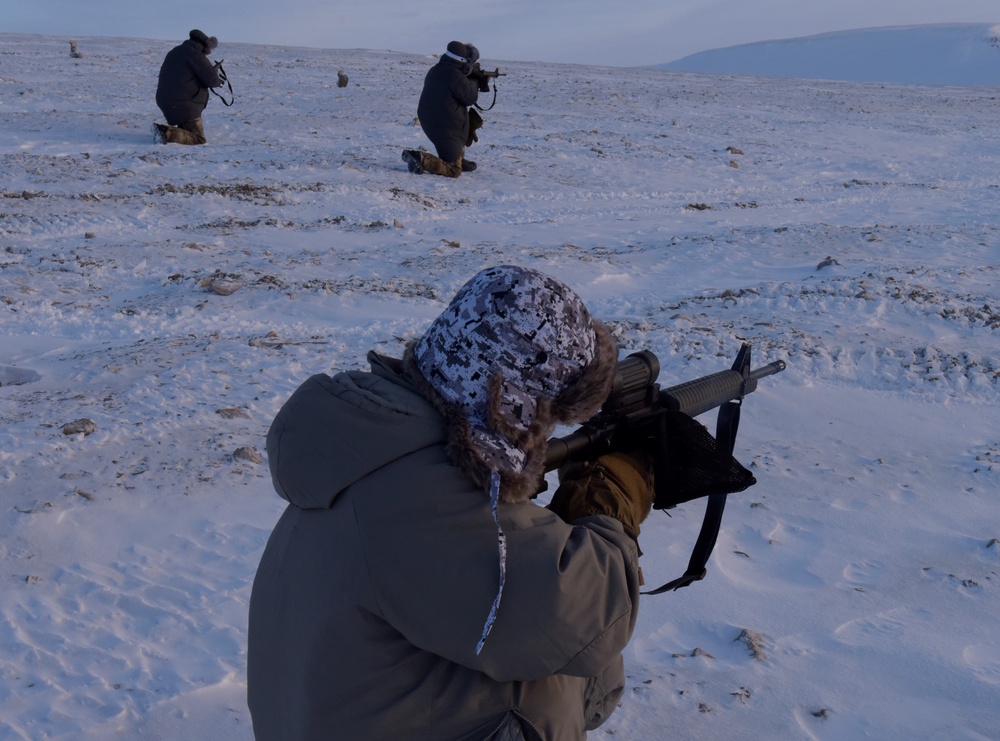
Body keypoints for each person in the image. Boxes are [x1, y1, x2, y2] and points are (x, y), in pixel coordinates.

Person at [247, 265, 654, 740]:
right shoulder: (423, 502)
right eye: (548, 416)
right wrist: (610, 512)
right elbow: (584, 622)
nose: (546, 436)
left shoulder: (374, 450)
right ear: (513, 404)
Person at [403, 40, 491, 177]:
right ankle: (420, 158)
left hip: (433, 119)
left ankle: (458, 159)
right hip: (445, 124)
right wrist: (475, 81)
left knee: (458, 130)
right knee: (454, 171)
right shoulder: (454, 75)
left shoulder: (437, 69)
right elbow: (470, 98)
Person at [153, 29, 222, 145]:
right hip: (185, 105)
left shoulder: (174, 51)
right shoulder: (196, 56)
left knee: (186, 130)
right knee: (198, 138)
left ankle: (170, 131)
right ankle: (165, 132)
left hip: (166, 100)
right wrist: (215, 75)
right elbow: (213, 81)